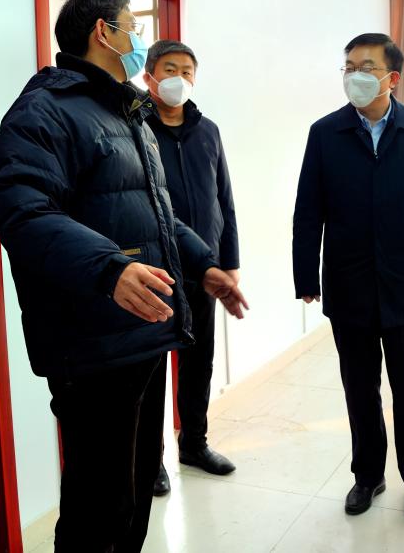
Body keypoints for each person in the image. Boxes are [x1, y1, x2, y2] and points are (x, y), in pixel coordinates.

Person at [0, 0, 247, 553]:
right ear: (103, 33)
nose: (139, 39)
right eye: (133, 26)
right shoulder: (44, 111)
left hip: (142, 332)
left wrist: (203, 264)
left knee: (131, 495)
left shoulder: (127, 112)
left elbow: (157, 214)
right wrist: (109, 269)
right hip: (92, 340)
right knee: (97, 506)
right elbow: (23, 212)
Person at [292, 32, 404, 521]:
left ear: (393, 78)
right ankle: (367, 475)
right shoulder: (326, 133)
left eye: (366, 67)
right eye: (348, 67)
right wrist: (306, 275)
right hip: (348, 284)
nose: (355, 75)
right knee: (359, 389)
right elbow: (309, 210)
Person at [142, 39, 241, 494]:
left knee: (199, 360)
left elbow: (225, 200)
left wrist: (228, 262)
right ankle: (151, 461)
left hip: (205, 271)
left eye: (186, 70)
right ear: (150, 75)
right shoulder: (135, 129)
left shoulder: (209, 131)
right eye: (169, 68)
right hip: (155, 270)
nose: (178, 78)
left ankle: (195, 444)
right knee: (151, 369)